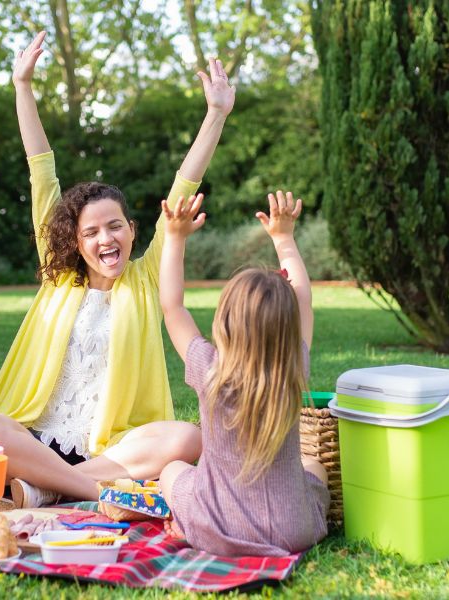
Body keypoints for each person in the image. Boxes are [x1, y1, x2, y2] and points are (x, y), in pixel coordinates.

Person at [0, 31, 234, 507]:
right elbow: (42, 170)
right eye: (92, 232)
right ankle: (92, 492)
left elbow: (185, 186)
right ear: (75, 243)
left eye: (115, 227)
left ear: (133, 231)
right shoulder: (59, 276)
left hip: (111, 450)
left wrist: (216, 114)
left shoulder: (145, 279)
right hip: (37, 438)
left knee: (187, 438)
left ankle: (44, 489)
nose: (106, 239)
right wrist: (22, 87)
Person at [157, 190, 329, 557]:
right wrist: (283, 239)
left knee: (172, 470)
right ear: (288, 327)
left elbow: (172, 308)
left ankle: (182, 523)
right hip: (291, 531)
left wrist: (175, 239)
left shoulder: (209, 369)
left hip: (215, 528)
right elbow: (303, 300)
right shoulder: (293, 365)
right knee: (314, 465)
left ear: (225, 321)